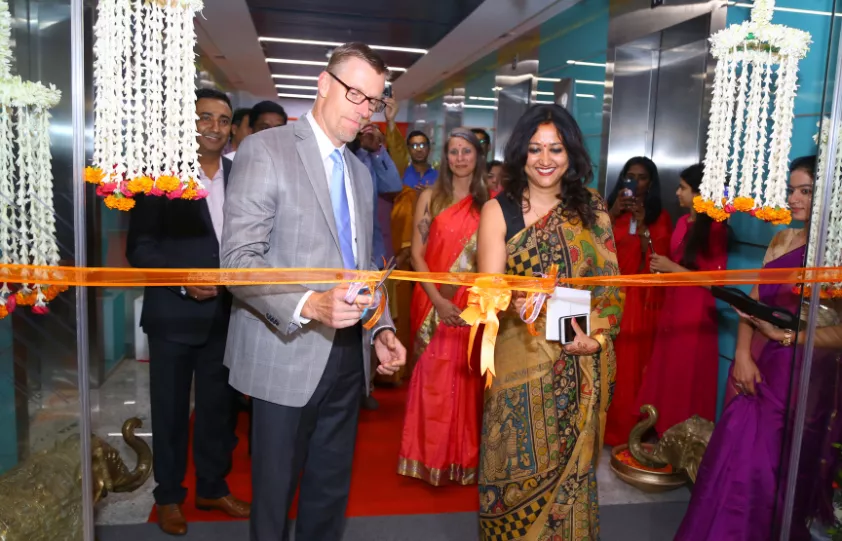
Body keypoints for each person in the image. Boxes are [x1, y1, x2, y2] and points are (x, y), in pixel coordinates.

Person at [220, 42, 407, 541]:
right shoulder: (266, 150)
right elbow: (238, 262)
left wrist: (381, 326)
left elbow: (363, 265)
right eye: (355, 93)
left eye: (374, 101)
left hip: (349, 355)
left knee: (328, 493)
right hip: (287, 350)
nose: (364, 109)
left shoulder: (360, 174)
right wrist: (310, 304)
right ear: (322, 85)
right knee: (275, 496)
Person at [676, 156, 842, 541]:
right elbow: (753, 301)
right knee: (735, 456)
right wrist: (743, 355)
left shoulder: (833, 252)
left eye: (806, 191)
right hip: (761, 363)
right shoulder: (784, 238)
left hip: (805, 375)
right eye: (791, 190)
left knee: (771, 472)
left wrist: (788, 338)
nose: (794, 198)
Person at [476, 104, 622, 539]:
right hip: (520, 365)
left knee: (574, 477)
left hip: (580, 366)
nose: (545, 159)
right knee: (511, 471)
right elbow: (488, 293)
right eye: (536, 149)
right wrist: (512, 299)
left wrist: (597, 341)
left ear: (570, 153)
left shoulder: (593, 209)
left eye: (556, 149)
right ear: (520, 153)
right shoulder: (499, 212)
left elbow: (612, 287)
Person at [126, 88, 250, 536]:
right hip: (174, 317)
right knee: (172, 411)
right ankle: (169, 497)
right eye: (205, 118)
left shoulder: (242, 174)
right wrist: (183, 279)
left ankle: (213, 487)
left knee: (219, 410)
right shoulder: (163, 178)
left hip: (227, 316)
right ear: (188, 122)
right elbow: (139, 248)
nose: (214, 127)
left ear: (232, 127)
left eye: (223, 119)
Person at [397, 128, 488, 486]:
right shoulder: (430, 198)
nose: (461, 158)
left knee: (466, 383)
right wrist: (437, 298)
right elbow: (417, 254)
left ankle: (461, 459)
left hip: (473, 302)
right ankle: (426, 457)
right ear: (444, 157)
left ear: (477, 156)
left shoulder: (490, 203)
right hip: (432, 299)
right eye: (454, 152)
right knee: (432, 381)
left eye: (467, 151)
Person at [634, 163, 728, 435]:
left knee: (685, 374)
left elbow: (715, 282)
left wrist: (672, 268)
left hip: (695, 309)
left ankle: (682, 441)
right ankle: (661, 432)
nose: (677, 193)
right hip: (673, 303)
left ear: (701, 193)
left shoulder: (715, 230)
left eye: (684, 188)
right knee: (667, 371)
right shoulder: (682, 222)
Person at [603, 157, 672, 446]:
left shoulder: (660, 216)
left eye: (641, 177)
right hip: (606, 294)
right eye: (629, 176)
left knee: (629, 365)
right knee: (601, 360)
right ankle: (598, 427)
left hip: (637, 300)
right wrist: (611, 212)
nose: (635, 182)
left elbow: (657, 259)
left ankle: (624, 431)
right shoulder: (609, 211)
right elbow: (592, 247)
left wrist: (644, 225)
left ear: (651, 183)